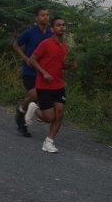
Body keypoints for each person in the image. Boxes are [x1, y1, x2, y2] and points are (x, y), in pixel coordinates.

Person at [23, 16, 76, 153]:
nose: (61, 27)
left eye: (63, 25)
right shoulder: (45, 43)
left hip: (59, 85)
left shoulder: (64, 47)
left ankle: (49, 141)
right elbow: (32, 60)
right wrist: (44, 73)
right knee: (49, 118)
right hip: (44, 85)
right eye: (58, 25)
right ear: (52, 28)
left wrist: (70, 66)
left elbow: (60, 65)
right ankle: (34, 108)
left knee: (60, 114)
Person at [12, 5, 53, 137]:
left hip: (44, 72)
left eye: (47, 15)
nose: (45, 17)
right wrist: (26, 58)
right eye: (42, 15)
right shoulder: (30, 32)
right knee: (34, 95)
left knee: (40, 98)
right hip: (29, 71)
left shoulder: (50, 33)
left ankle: (24, 114)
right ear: (37, 17)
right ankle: (21, 111)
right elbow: (16, 45)